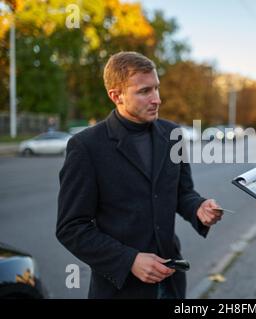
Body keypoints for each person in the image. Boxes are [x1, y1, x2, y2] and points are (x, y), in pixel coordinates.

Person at [56, 51, 223, 299]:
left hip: (172, 281)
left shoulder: (173, 133)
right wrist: (129, 260)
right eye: (145, 91)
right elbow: (71, 227)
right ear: (116, 96)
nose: (157, 99)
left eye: (156, 88)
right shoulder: (86, 146)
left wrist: (199, 208)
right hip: (120, 289)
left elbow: (182, 193)